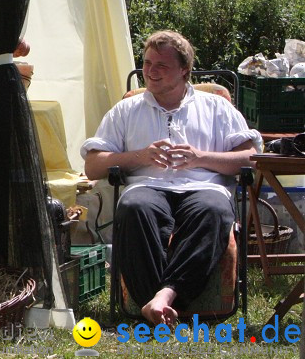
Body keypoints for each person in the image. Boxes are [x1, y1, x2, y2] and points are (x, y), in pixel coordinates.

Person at [81, 30, 260, 325]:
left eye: (161, 66)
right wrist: (140, 156)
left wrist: (200, 158)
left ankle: (161, 297)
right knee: (134, 206)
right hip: (147, 185)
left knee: (213, 210)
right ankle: (161, 299)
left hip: (204, 185)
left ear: (184, 70)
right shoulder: (125, 111)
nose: (150, 72)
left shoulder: (217, 108)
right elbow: (93, 166)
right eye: (147, 63)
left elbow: (250, 159)